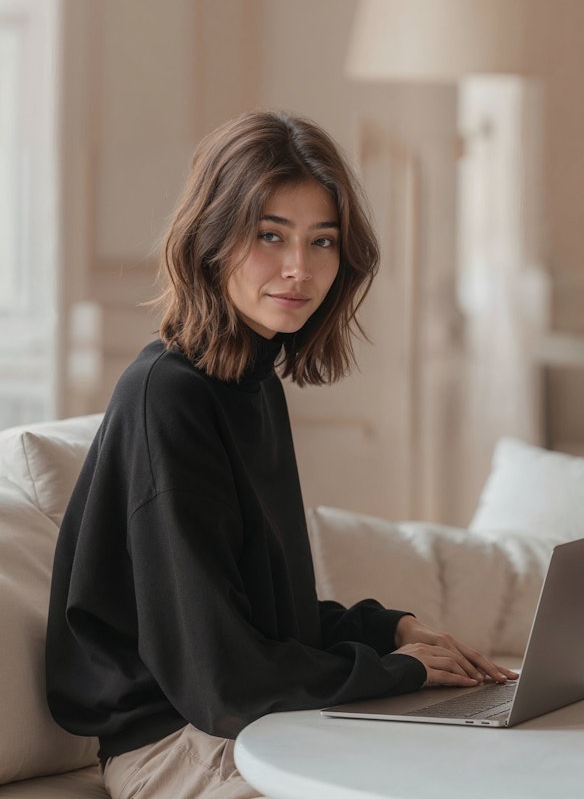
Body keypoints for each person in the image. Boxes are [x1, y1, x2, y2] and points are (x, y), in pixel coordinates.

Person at [46, 111, 516, 799]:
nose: (300, 269)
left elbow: (262, 620)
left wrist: (392, 630)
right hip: (177, 742)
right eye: (271, 235)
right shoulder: (167, 396)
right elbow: (219, 676)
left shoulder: (252, 387)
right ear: (212, 239)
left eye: (322, 241)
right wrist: (401, 671)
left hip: (253, 722)